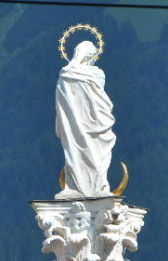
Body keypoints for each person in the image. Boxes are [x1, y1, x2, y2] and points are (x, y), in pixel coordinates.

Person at [55, 40, 116, 198]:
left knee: (75, 154)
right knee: (98, 155)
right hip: (95, 124)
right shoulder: (96, 74)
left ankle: (79, 186)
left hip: (72, 127)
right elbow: (101, 101)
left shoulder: (65, 76)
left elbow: (61, 105)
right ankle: (97, 185)